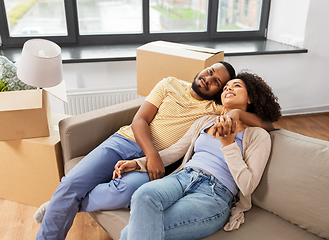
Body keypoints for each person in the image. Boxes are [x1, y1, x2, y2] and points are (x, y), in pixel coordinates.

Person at [35, 61, 271, 240]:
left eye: (217, 82)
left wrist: (237, 113)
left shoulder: (216, 111)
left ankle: (63, 203)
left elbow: (267, 124)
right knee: (70, 185)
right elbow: (139, 121)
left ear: (218, 93)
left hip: (172, 167)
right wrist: (149, 157)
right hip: (125, 142)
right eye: (210, 71)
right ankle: (64, 199)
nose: (208, 79)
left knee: (127, 191)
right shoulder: (170, 84)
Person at [115, 71, 282, 240]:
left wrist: (229, 144)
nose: (228, 89)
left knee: (129, 233)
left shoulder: (258, 136)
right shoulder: (206, 121)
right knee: (143, 194)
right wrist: (138, 163)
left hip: (214, 194)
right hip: (181, 178)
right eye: (225, 87)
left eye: (236, 86)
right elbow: (174, 152)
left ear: (250, 98)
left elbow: (248, 186)